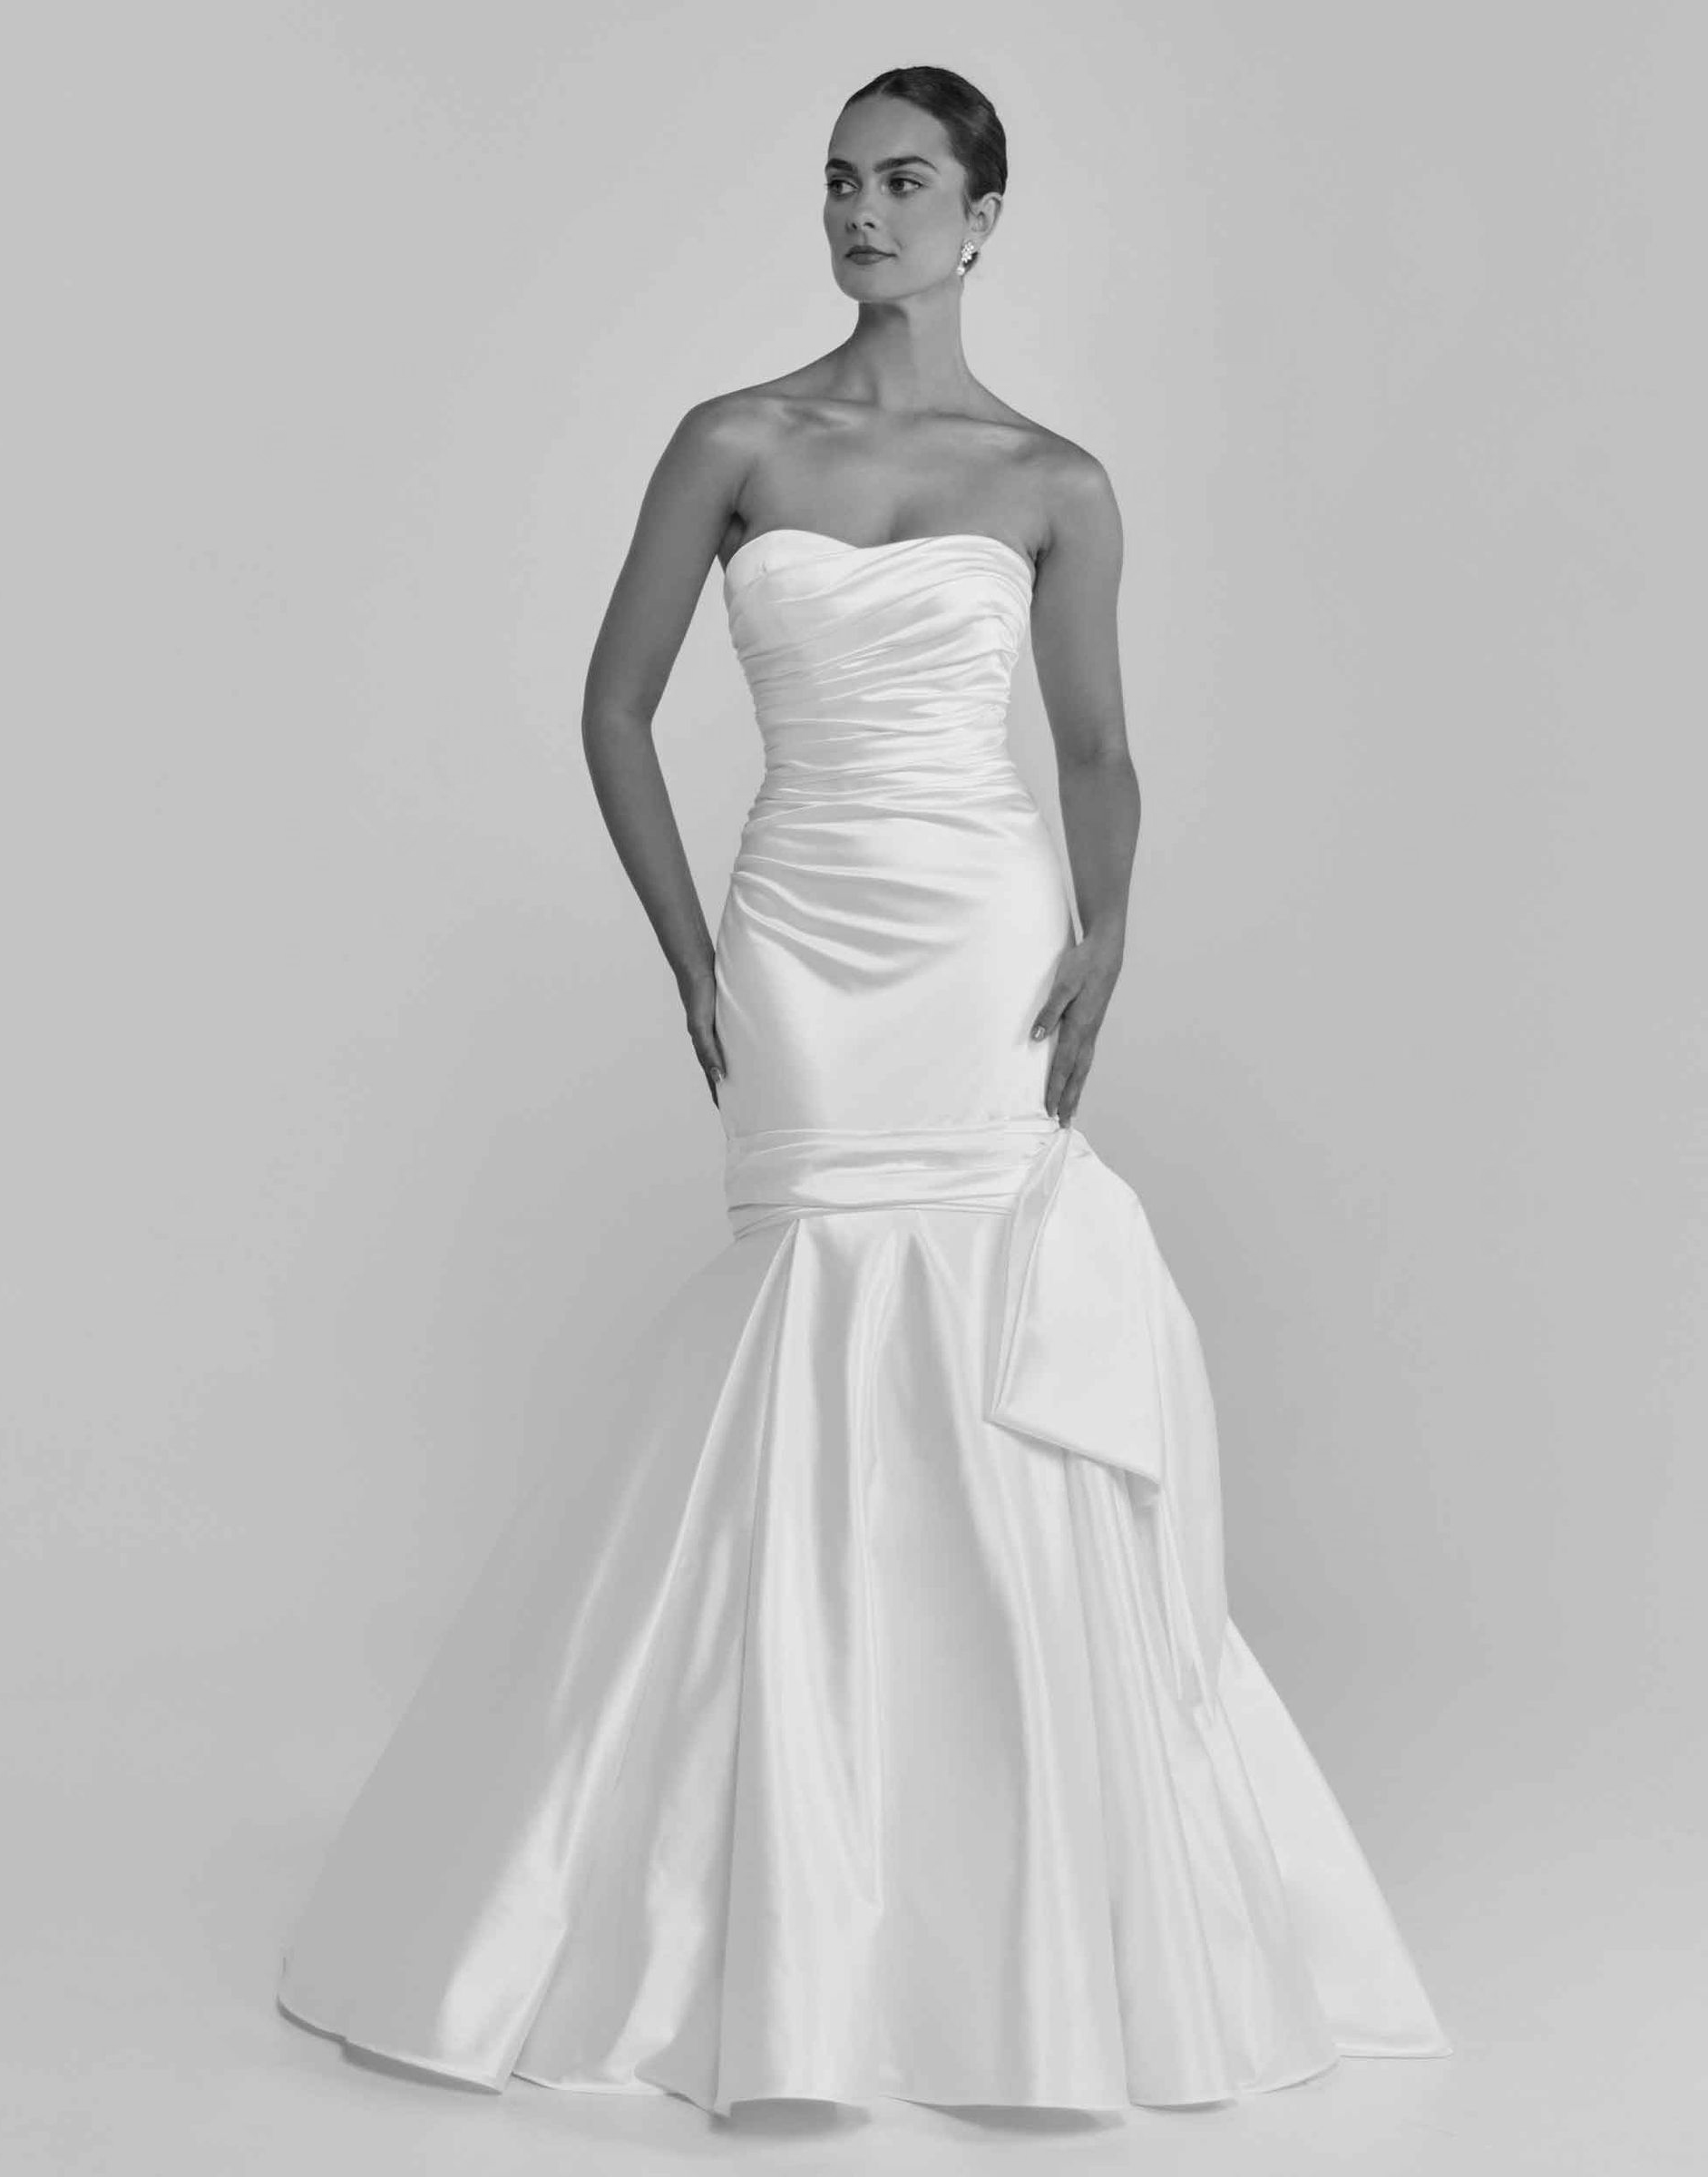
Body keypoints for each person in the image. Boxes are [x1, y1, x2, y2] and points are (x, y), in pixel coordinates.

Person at [276, 63, 1452, 2118]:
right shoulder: (736, 437)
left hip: (983, 931)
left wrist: (1109, 935)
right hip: (805, 932)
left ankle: (1008, 1915)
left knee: (984, 1345)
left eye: (904, 180)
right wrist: (687, 950)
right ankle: (768, 1897)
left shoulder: (1057, 479)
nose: (862, 209)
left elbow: (1095, 749)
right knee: (818, 1311)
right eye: (839, 181)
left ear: (987, 214)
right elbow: (616, 705)